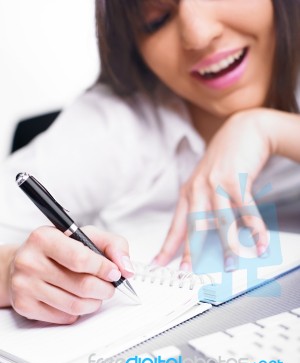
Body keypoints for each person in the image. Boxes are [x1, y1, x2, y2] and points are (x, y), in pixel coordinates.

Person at [0, 0, 300, 324]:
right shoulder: (111, 129)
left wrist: (269, 130)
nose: (198, 36)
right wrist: (9, 270)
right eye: (156, 21)